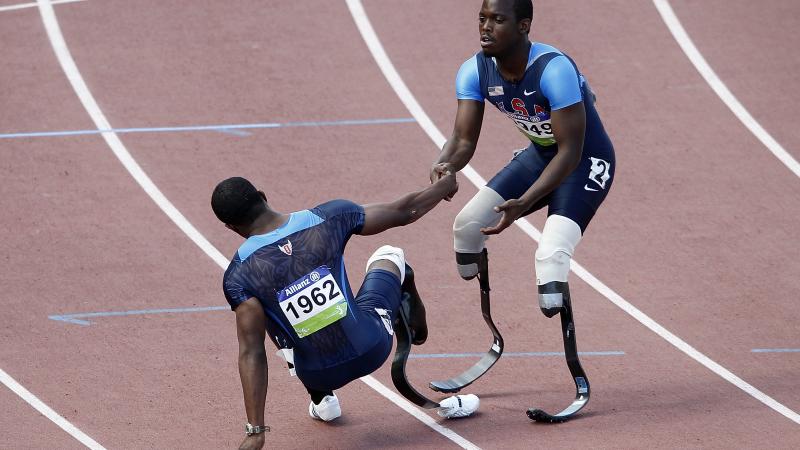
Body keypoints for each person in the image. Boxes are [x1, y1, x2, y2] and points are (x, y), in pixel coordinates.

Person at [211, 173, 457, 450]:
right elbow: (403, 211)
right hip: (373, 347)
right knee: (390, 255)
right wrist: (444, 185)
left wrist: (256, 431)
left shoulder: (238, 276)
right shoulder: (328, 217)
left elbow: (251, 352)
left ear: (230, 227)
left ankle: (321, 399)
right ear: (263, 195)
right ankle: (413, 322)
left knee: (266, 311)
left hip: (316, 374)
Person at [430, 0, 615, 322]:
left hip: (585, 158)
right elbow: (462, 140)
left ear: (523, 26)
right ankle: (488, 316)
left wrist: (525, 203)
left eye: (498, 20)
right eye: (482, 18)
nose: (486, 28)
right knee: (467, 227)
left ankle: (569, 346)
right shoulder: (474, 71)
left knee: (550, 257)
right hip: (542, 155)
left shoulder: (553, 70)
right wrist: (445, 164)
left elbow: (570, 152)